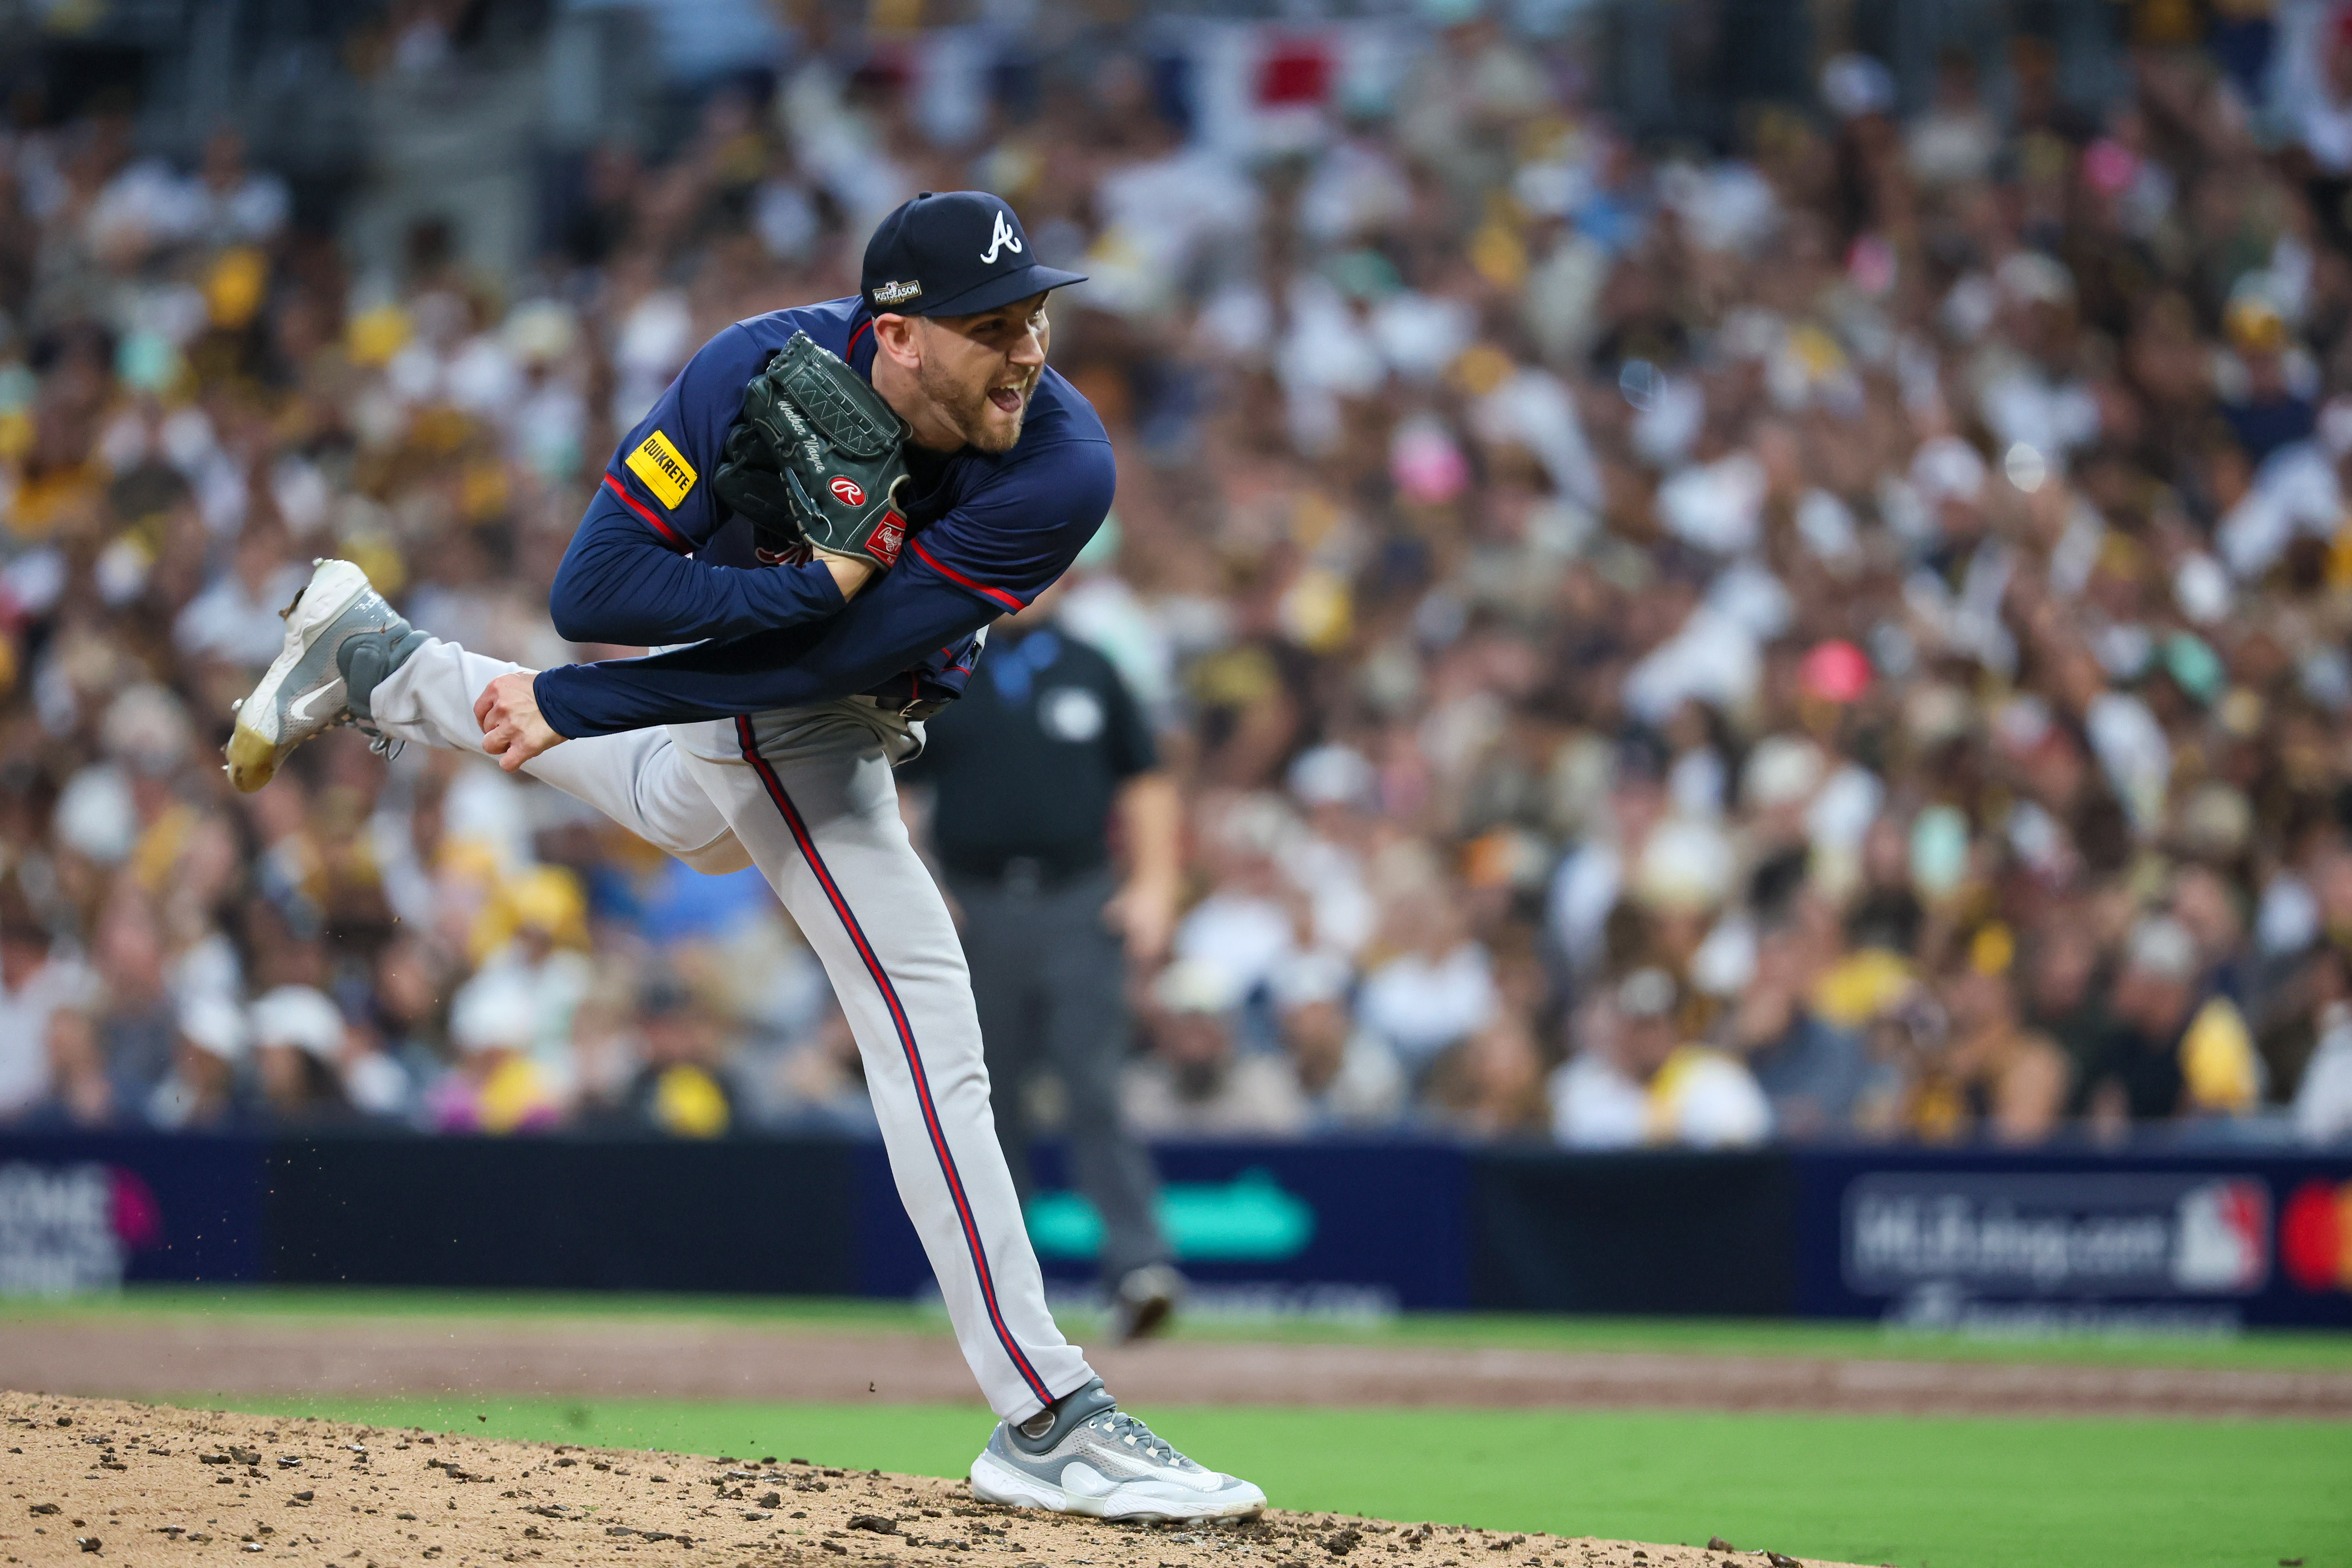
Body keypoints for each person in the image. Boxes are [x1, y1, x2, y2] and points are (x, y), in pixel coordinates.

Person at [220, 191, 1260, 1522]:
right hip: (792, 711)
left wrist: (592, 695)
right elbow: (592, 593)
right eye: (993, 325)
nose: (1029, 352)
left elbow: (854, 647)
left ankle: (378, 658)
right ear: (897, 335)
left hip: (840, 690)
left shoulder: (1062, 463)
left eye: (1038, 316)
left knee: (682, 808)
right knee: (927, 1022)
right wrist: (795, 584)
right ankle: (1047, 1411)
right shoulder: (744, 371)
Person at [900, 586, 1186, 1341]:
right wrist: (919, 885)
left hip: (1079, 901)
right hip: (973, 905)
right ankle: (997, 1288)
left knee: (1094, 1086)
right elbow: (897, 788)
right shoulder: (947, 665)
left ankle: (1139, 1268)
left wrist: (1155, 884)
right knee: (986, 1098)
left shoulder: (1095, 669)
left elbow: (1146, 779)